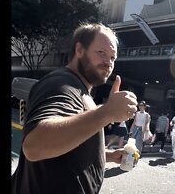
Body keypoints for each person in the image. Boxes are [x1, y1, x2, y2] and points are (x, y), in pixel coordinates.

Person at [11, 23, 138, 194]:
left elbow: (71, 145)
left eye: (113, 57)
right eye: (101, 53)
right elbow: (34, 147)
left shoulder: (81, 91)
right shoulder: (62, 84)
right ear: (79, 50)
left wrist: (108, 155)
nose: (108, 62)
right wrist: (106, 112)